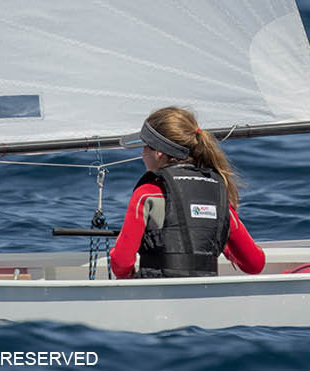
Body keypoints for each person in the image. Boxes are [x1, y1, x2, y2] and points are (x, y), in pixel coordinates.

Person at [108, 105, 266, 279]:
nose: (142, 153)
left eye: (145, 147)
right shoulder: (218, 195)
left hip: (156, 298)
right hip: (204, 298)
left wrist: (116, 255)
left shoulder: (147, 193)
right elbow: (254, 264)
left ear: (159, 152)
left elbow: (121, 264)